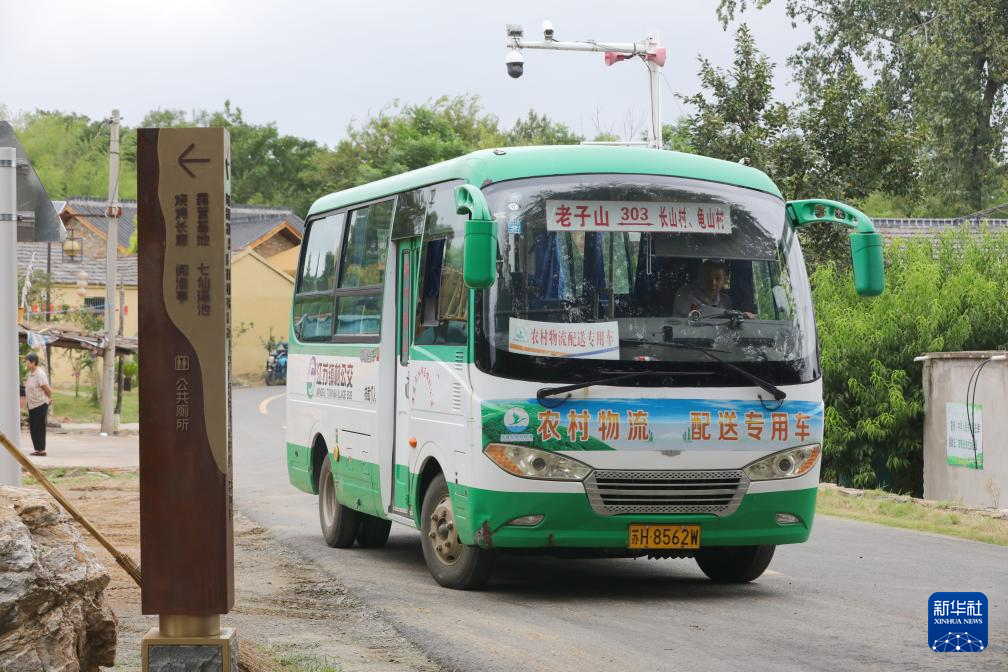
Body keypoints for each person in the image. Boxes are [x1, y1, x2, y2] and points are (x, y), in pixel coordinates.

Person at [672, 259, 754, 318]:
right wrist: (735, 314)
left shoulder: (725, 300)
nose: (713, 282)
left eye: (718, 279)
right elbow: (699, 311)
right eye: (708, 277)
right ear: (700, 278)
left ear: (724, 281)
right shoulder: (684, 293)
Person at [23, 352, 52, 456]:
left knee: (39, 427)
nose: (26, 363)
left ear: (33, 362)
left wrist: (49, 398)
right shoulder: (31, 372)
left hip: (40, 404)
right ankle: (37, 449)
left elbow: (47, 389)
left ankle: (41, 450)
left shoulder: (40, 374)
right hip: (33, 405)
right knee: (34, 427)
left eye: (27, 361)